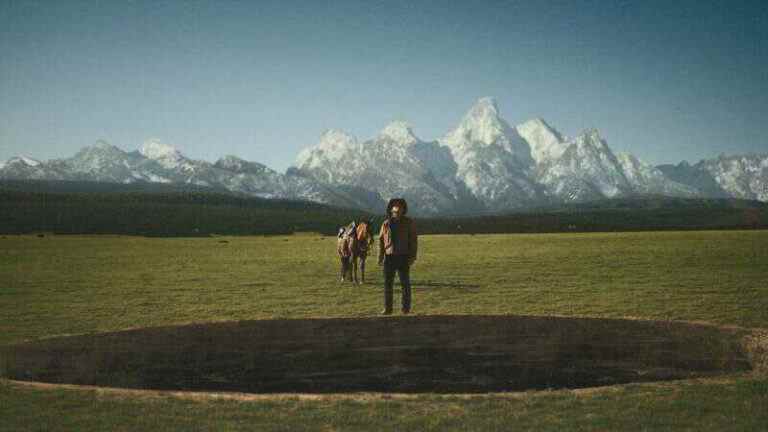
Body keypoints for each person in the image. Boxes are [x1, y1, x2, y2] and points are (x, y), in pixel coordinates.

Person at [377, 198, 417, 315]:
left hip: (403, 256)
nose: (397, 209)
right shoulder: (385, 224)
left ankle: (405, 309)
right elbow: (380, 241)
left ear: (404, 209)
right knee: (387, 284)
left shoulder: (409, 223)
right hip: (389, 257)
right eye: (394, 207)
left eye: (399, 207)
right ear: (390, 209)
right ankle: (387, 308)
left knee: (405, 284)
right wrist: (380, 256)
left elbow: (413, 240)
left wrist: (412, 256)